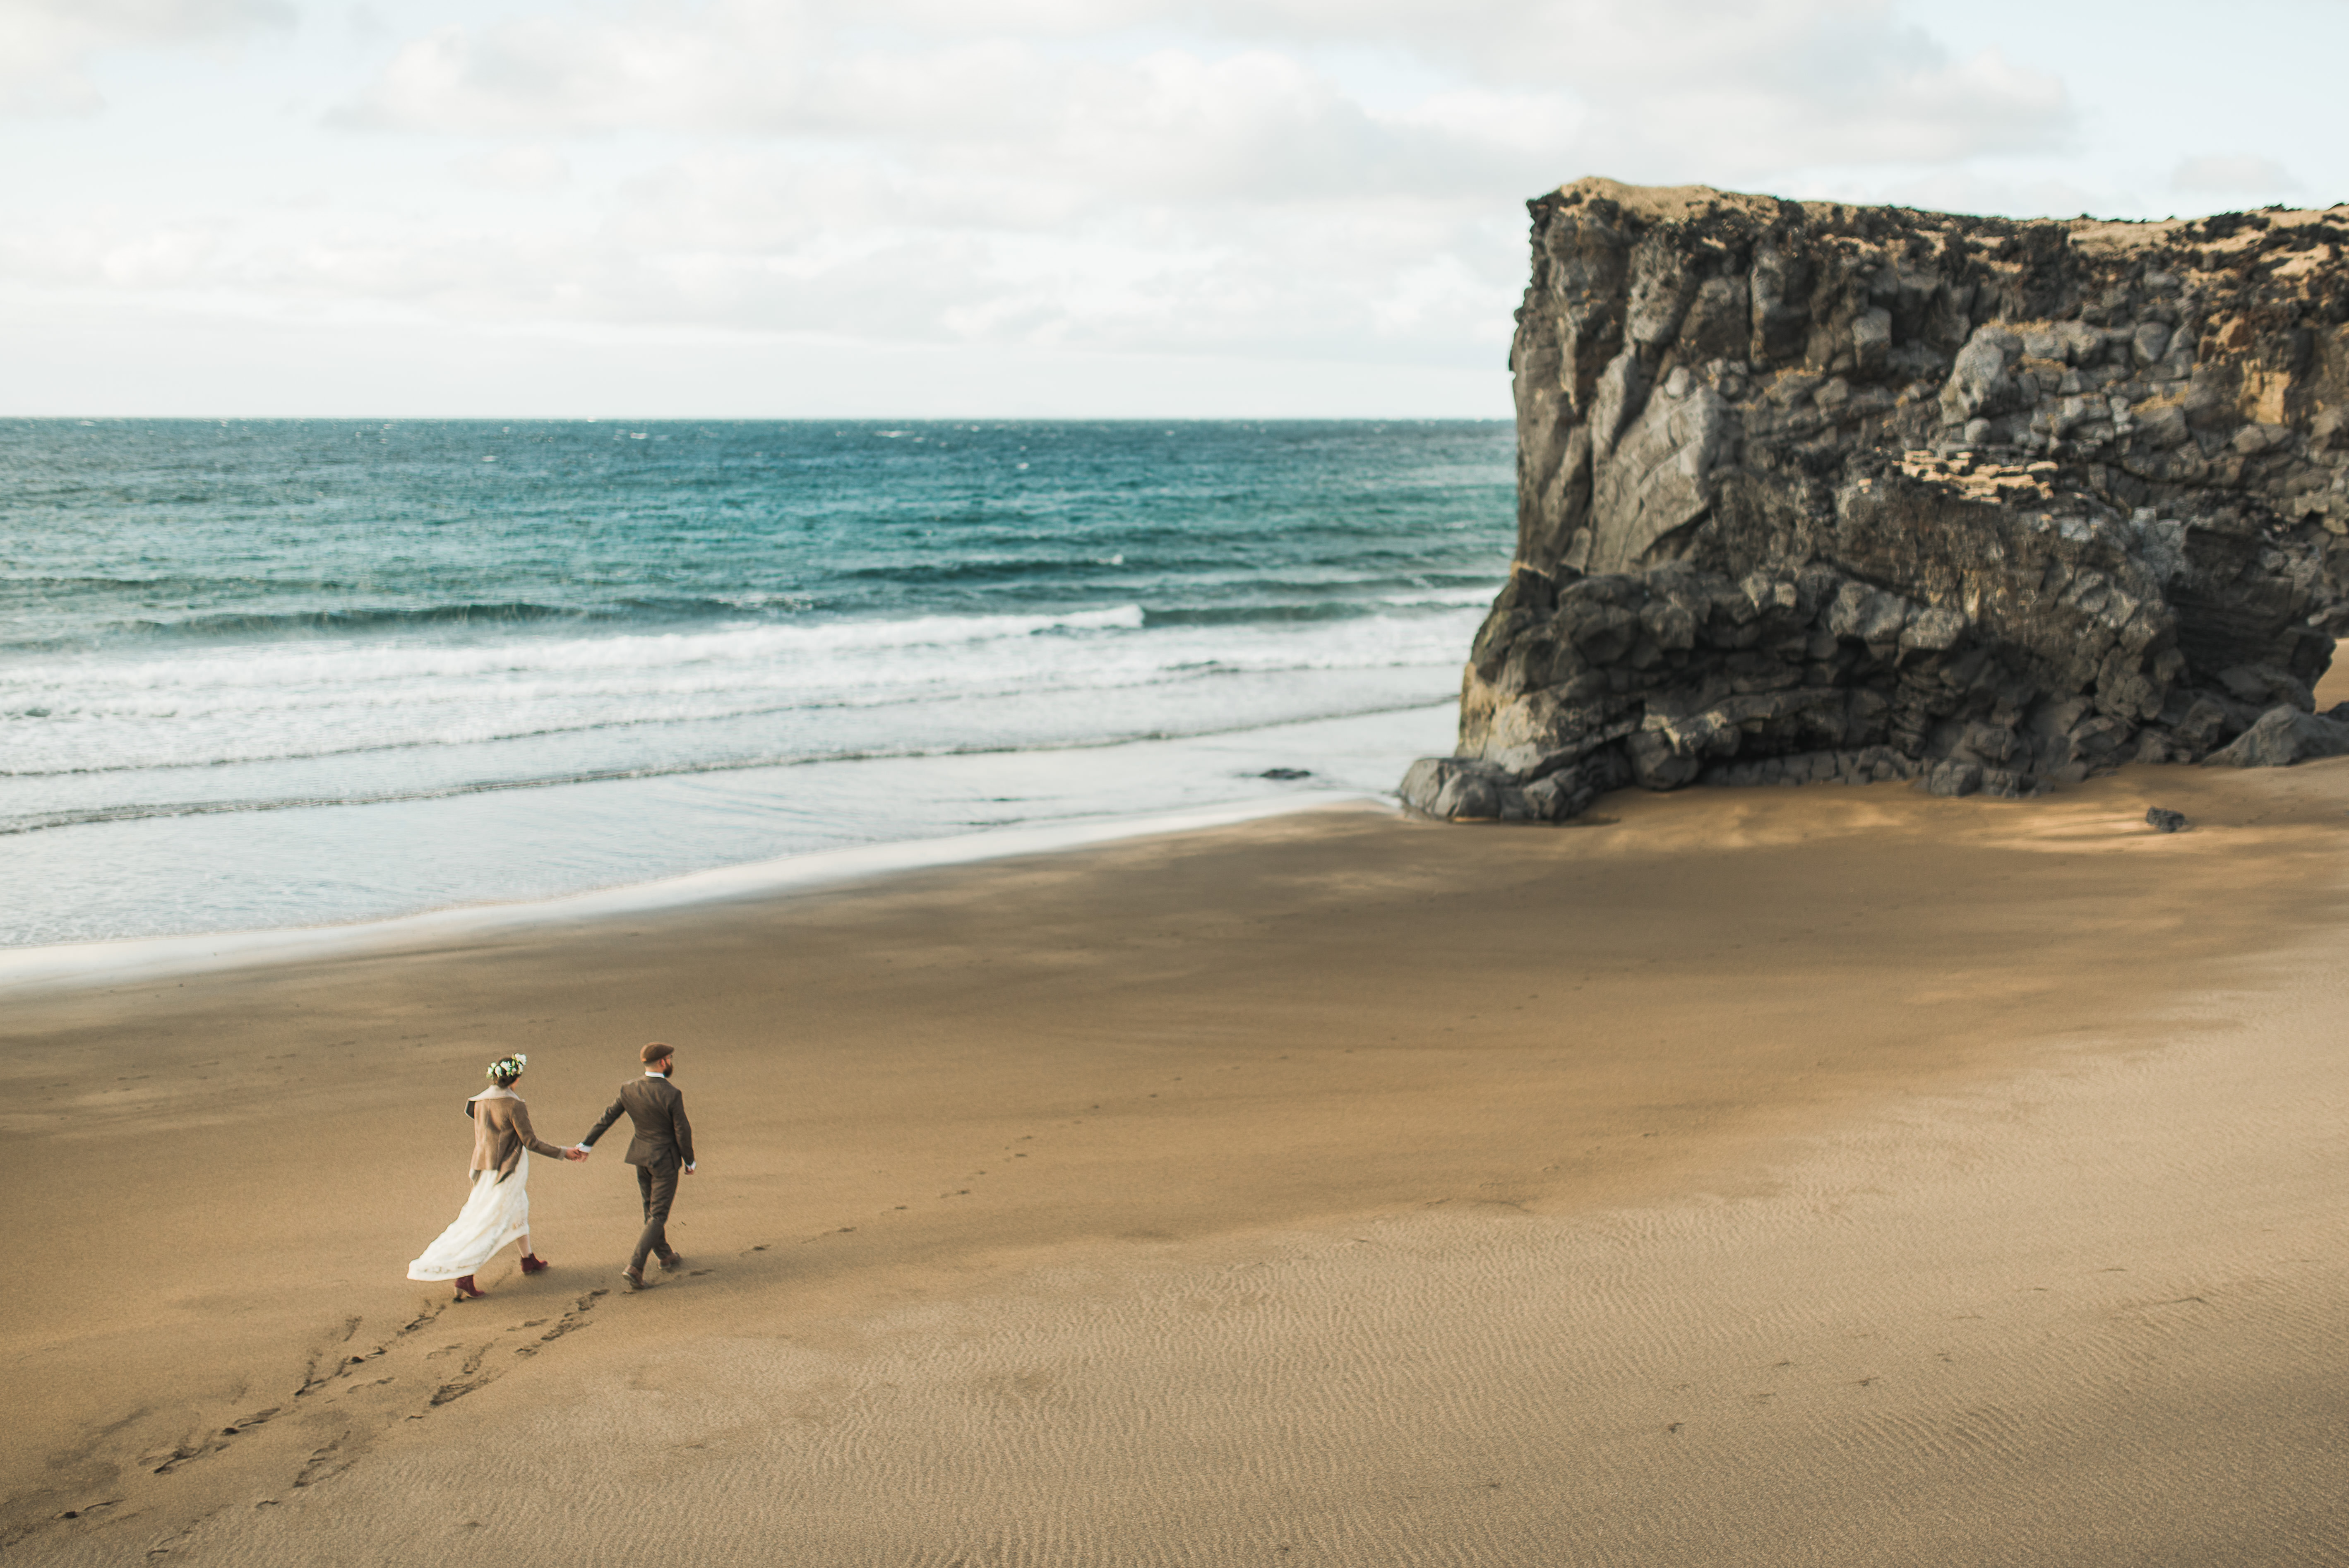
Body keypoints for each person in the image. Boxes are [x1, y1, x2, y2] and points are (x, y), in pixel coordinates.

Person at [408, 1052, 587, 1301]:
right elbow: (530, 1142)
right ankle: (465, 1276)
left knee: (518, 1206)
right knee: (491, 1220)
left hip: (484, 1167)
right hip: (508, 1169)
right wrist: (564, 1153)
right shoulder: (515, 1105)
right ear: (517, 1078)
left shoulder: (479, 1101)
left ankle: (528, 1259)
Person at [575, 1041, 697, 1292]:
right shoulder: (672, 1094)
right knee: (659, 1213)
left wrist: (587, 1145)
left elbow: (607, 1117)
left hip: (641, 1157)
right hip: (665, 1159)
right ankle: (635, 1267)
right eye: (671, 1058)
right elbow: (682, 1130)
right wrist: (690, 1160)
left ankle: (665, 1255)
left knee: (649, 1208)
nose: (672, 1062)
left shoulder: (629, 1088)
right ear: (663, 1062)